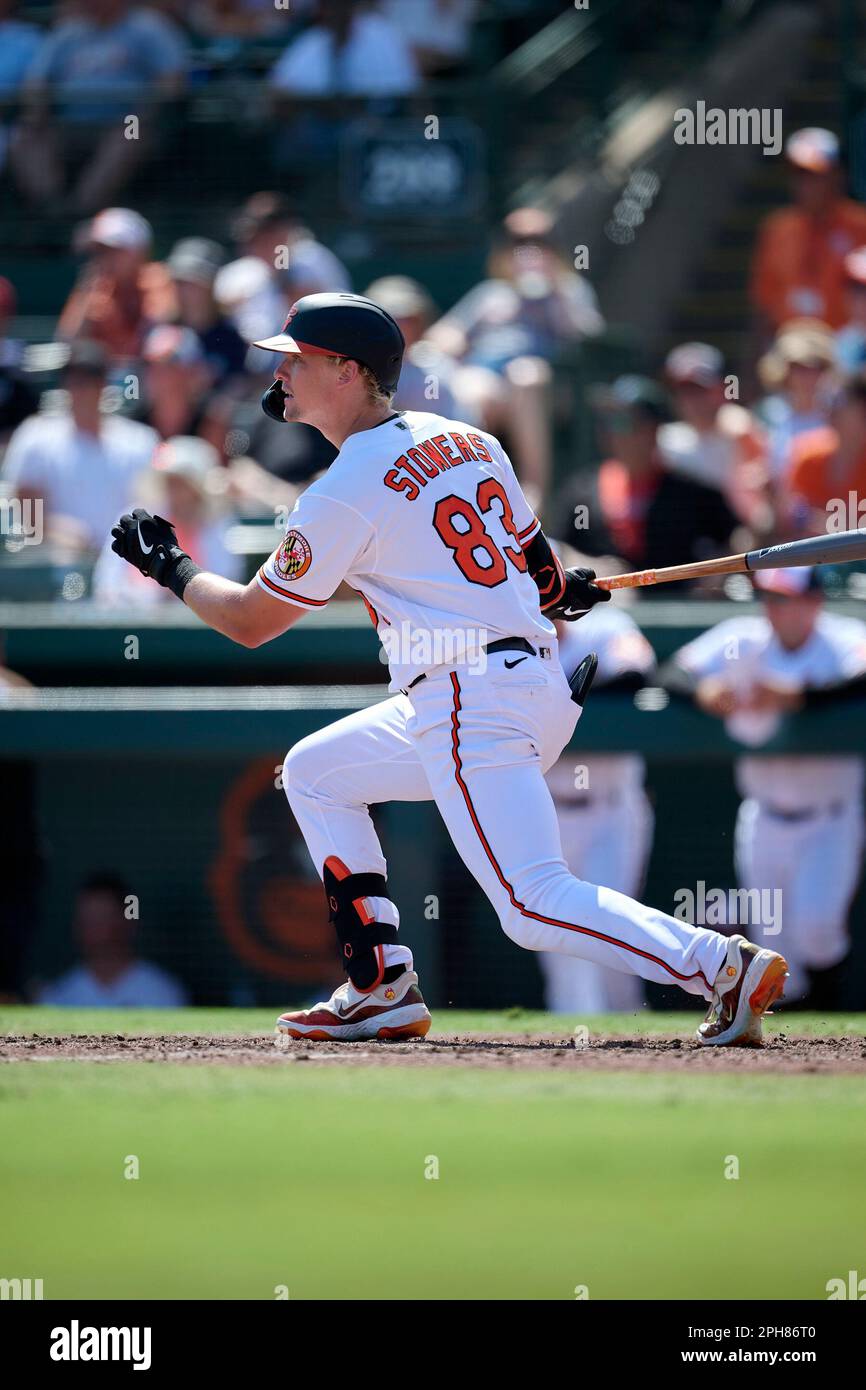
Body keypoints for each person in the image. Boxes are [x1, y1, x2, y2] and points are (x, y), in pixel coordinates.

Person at [108, 290, 789, 1048]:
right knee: (315, 772)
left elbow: (249, 622)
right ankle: (380, 985)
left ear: (347, 369)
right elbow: (541, 572)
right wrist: (565, 588)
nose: (281, 373)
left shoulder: (341, 492)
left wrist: (168, 564)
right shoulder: (468, 439)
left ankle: (718, 964)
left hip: (471, 694)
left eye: (297, 359)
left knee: (531, 904)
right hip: (514, 685)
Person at [666, 567, 866, 1006]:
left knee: (818, 930)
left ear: (814, 601)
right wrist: (705, 691)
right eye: (770, 598)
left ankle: (835, 1024)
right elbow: (673, 672)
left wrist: (800, 697)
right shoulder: (744, 638)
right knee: (777, 947)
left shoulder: (842, 639)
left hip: (828, 815)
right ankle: (796, 1048)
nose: (774, 609)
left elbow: (859, 680)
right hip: (764, 816)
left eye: (786, 599)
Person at [428, 207, 604, 511]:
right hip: (491, 380)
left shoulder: (570, 290)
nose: (528, 248)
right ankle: (463, 488)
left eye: (538, 240)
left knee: (525, 376)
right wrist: (452, 343)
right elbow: (443, 335)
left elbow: (592, 338)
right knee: (471, 386)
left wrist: (555, 294)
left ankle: (533, 496)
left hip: (547, 386)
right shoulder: (492, 293)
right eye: (518, 241)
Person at [540, 567, 656, 1014]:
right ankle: (573, 1053)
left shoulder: (604, 626)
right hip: (545, 810)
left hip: (610, 809)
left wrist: (559, 705)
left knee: (611, 934)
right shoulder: (504, 639)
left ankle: (624, 1043)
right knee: (560, 944)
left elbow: (635, 675)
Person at [10, 0, 187, 215]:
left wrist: (144, 112)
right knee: (25, 135)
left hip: (132, 120)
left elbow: (172, 81)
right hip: (71, 122)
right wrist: (36, 113)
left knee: (128, 136)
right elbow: (37, 80)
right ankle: (52, 208)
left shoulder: (148, 27)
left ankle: (83, 210)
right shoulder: (68, 32)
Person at [2, 339, 157, 553]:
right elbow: (25, 513)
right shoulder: (35, 437)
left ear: (103, 385)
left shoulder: (140, 441)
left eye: (90, 380)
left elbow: (154, 506)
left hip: (125, 567)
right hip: (57, 567)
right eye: (74, 380)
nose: (81, 390)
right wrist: (54, 530)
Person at [92, 435, 242, 606]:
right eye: (170, 482)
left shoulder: (219, 526)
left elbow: (226, 586)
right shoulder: (135, 520)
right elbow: (108, 583)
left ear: (196, 489)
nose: (174, 491)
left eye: (181, 483)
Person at [750, 128, 866, 337]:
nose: (804, 185)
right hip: (793, 353)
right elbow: (765, 305)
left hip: (849, 353)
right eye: (798, 174)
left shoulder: (861, 226)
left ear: (837, 175)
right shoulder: (777, 229)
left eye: (813, 175)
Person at [660, 342, 768, 535]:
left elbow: (760, 508)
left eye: (699, 389)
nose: (692, 399)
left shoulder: (742, 430)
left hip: (739, 540)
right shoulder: (665, 441)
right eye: (683, 390)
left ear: (720, 389)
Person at [37, 873, 188, 1007]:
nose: (92, 927)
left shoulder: (161, 991)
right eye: (87, 918)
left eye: (101, 917)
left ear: (127, 922)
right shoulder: (60, 995)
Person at [56, 208, 167, 362]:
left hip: (148, 379)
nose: (105, 258)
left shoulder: (157, 280)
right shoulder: (95, 289)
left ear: (139, 252)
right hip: (105, 381)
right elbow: (68, 342)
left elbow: (160, 332)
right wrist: (85, 292)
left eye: (115, 250)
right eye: (100, 251)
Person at [269, 0, 419, 96]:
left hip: (376, 125)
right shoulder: (312, 41)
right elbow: (278, 89)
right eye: (329, 5)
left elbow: (406, 91)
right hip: (319, 131)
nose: (336, 10)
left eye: (341, 4)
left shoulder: (383, 35)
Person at [364, 276, 463, 418]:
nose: (400, 325)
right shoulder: (355, 368)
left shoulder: (436, 367)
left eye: (407, 318)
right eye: (389, 317)